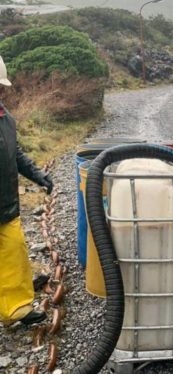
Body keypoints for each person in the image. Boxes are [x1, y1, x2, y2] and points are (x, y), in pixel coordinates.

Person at [0, 56, 53, 326]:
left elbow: (16, 154)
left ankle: (16, 309)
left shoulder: (6, 119)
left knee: (14, 252)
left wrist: (38, 175)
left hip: (5, 205)